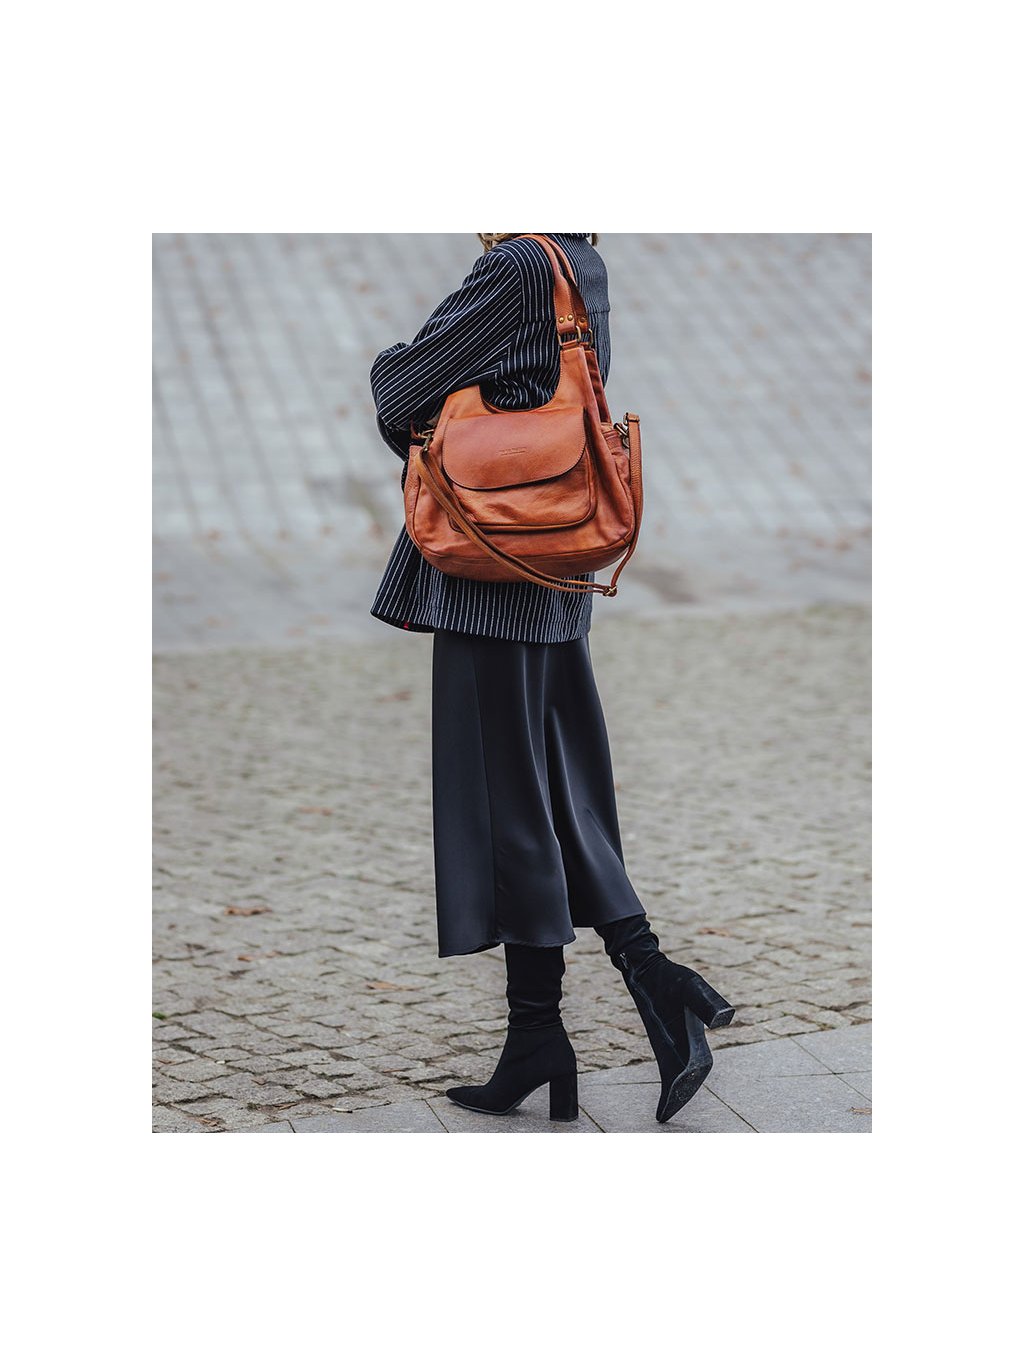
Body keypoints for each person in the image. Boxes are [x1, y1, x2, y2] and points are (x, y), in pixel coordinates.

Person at [368, 233, 734, 1125]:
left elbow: (400, 392)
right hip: (551, 566)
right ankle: (572, 1018)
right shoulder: (577, 258)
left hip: (494, 571)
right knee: (552, 800)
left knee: (514, 811)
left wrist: (391, 363)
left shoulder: (516, 265)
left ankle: (620, 994)